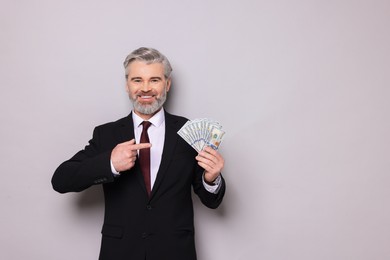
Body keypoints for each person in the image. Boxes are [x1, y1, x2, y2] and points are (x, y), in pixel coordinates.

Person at [51, 47, 226, 260]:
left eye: (154, 80)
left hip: (175, 251)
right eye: (137, 80)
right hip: (121, 252)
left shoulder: (187, 132)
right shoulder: (107, 134)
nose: (145, 88)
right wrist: (110, 163)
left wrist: (211, 178)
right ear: (127, 85)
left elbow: (211, 200)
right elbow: (61, 180)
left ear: (167, 84)